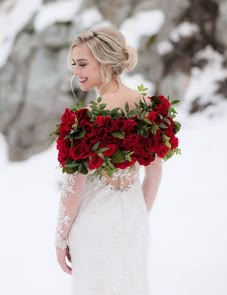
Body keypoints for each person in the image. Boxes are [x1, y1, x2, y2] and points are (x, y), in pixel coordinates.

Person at [55, 25, 162, 294]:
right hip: (134, 222)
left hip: (93, 226)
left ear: (105, 62)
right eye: (73, 64)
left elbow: (73, 188)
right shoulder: (148, 107)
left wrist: (60, 238)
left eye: (82, 64)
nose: (75, 71)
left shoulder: (88, 118)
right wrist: (138, 213)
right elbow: (154, 174)